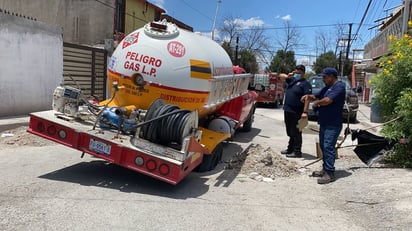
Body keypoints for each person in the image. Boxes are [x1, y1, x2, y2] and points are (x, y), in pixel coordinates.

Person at [302, 67, 346, 184]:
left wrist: (317, 103)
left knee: (328, 147)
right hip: (324, 122)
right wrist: (308, 97)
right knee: (323, 146)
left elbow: (327, 100)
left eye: (324, 77)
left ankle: (330, 173)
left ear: (331, 76)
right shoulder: (327, 88)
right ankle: (325, 169)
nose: (323, 79)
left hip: (333, 123)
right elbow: (316, 95)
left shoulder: (339, 87)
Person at [279, 65, 312, 158]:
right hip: (288, 110)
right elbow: (280, 76)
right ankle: (290, 148)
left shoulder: (306, 84)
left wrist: (305, 112)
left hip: (297, 111)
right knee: (290, 131)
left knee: (296, 132)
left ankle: (297, 151)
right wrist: (291, 75)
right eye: (296, 73)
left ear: (303, 73)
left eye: (299, 73)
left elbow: (307, 98)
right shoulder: (292, 81)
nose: (297, 75)